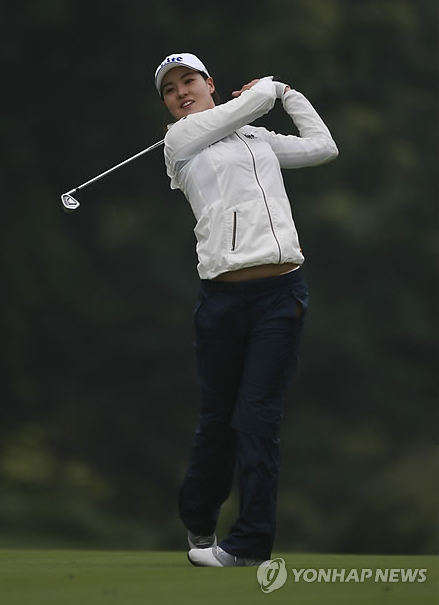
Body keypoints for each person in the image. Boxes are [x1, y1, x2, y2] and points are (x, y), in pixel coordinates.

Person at [154, 52, 338, 567]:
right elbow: (253, 103)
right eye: (169, 89)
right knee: (218, 420)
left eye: (188, 80)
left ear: (209, 83)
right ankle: (199, 518)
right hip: (223, 300)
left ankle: (250, 545)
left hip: (281, 295)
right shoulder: (179, 141)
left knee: (257, 418)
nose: (180, 92)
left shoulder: (256, 138)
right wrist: (270, 88)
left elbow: (323, 147)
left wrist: (291, 96)